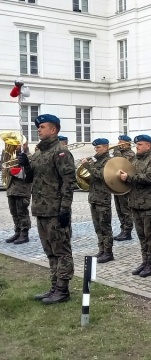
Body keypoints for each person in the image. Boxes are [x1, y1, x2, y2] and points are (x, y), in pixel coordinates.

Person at [20, 114, 76, 304]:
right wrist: (26, 165)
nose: (39, 129)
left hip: (55, 210)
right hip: (41, 210)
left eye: (42, 127)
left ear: (53, 130)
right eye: (39, 127)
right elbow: (29, 180)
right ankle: (54, 287)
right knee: (50, 251)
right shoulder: (39, 153)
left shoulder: (61, 152)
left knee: (61, 251)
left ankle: (63, 290)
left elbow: (69, 183)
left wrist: (65, 210)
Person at [119, 135, 151, 278]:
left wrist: (129, 178)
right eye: (137, 145)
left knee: (150, 235)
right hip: (135, 204)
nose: (137, 147)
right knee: (141, 235)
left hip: (149, 205)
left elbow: (149, 178)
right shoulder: (134, 160)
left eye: (140, 145)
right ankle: (145, 261)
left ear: (148, 146)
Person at [82, 138, 116, 263]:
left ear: (106, 148)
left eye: (99, 147)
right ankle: (101, 249)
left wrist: (87, 166)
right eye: (95, 147)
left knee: (105, 226)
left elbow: (102, 175)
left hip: (103, 198)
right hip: (94, 198)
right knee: (98, 227)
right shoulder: (96, 160)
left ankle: (108, 252)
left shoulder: (109, 161)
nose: (96, 149)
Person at [4, 140, 32, 245]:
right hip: (11, 188)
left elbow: (29, 172)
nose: (16, 147)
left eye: (18, 145)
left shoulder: (28, 156)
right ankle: (17, 231)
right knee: (14, 212)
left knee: (22, 213)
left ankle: (24, 234)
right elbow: (6, 171)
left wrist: (13, 171)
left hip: (22, 189)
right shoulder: (11, 157)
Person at [112, 135, 135, 241]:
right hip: (117, 184)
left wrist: (116, 152)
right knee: (119, 208)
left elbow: (120, 163)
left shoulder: (130, 154)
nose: (119, 144)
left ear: (128, 143)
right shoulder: (118, 153)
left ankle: (128, 231)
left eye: (121, 142)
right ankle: (123, 229)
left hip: (125, 185)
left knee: (125, 209)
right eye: (119, 141)